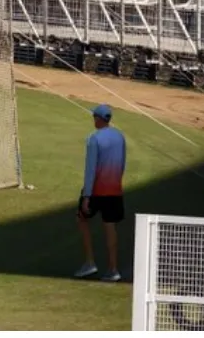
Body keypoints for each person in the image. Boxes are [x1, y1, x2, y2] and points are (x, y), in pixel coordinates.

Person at [75, 104, 127, 282]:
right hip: (115, 189)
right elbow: (122, 164)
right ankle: (113, 269)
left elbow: (90, 169)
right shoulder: (120, 137)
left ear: (98, 119)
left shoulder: (94, 138)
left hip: (97, 190)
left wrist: (87, 196)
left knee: (81, 218)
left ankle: (90, 262)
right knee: (110, 226)